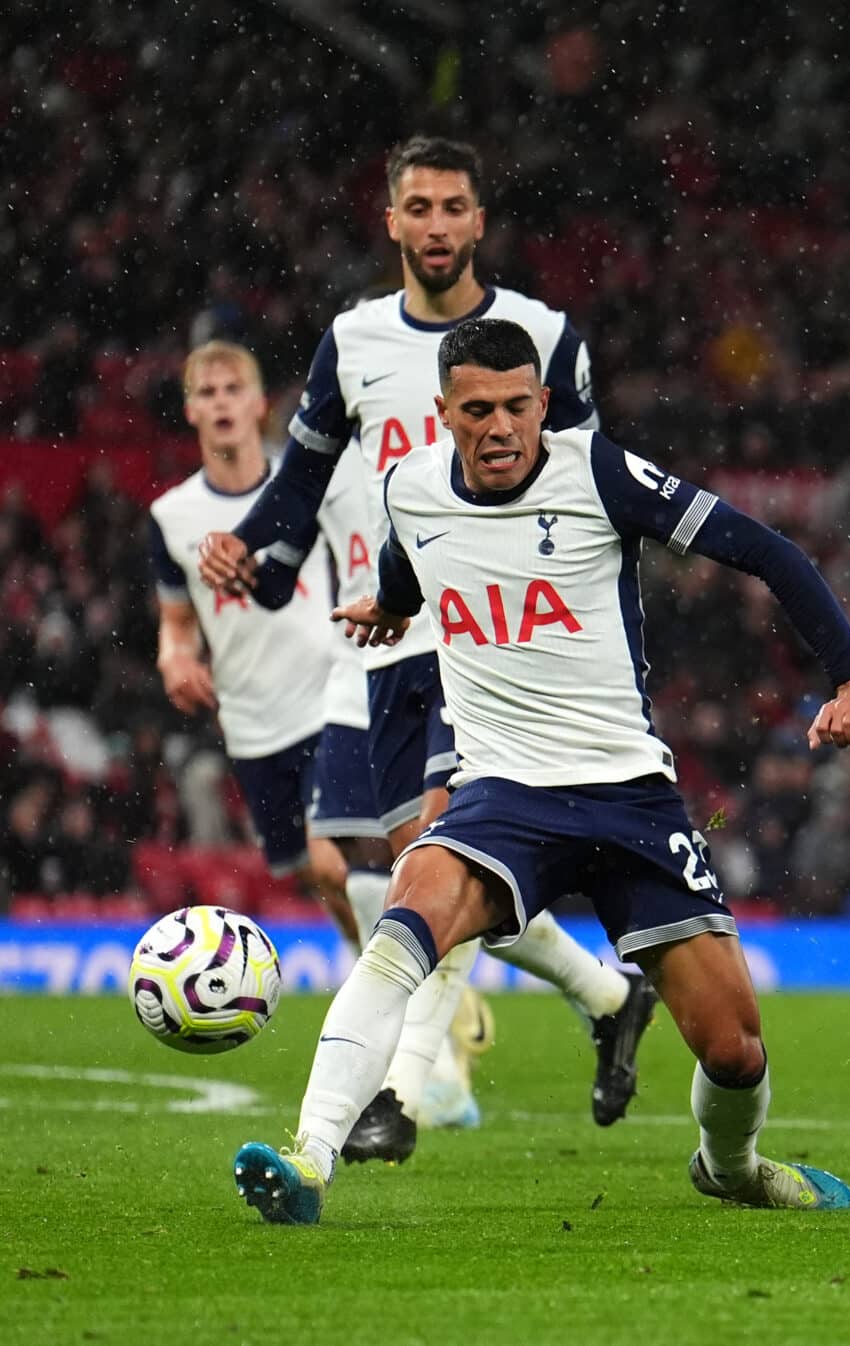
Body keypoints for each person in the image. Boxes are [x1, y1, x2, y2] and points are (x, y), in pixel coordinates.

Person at [233, 317, 850, 1224]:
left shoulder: (599, 473)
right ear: (442, 414)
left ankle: (731, 1167)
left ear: (543, 403)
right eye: (478, 411)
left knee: (734, 1050)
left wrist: (849, 675)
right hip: (503, 797)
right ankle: (307, 1161)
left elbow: (766, 552)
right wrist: (388, 602)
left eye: (515, 407)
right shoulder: (409, 486)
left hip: (630, 798)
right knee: (402, 925)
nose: (500, 428)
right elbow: (408, 563)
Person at [196, 136, 656, 1157]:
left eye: (455, 206)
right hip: (380, 640)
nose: (438, 224)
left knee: (434, 852)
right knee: (383, 861)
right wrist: (260, 561)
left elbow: (590, 496)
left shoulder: (543, 336)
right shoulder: (352, 340)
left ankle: (399, 1096)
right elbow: (302, 481)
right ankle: (603, 990)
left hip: (489, 641)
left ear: (479, 219)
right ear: (392, 220)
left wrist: (591, 641)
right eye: (419, 206)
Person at [147, 341, 359, 932]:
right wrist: (175, 661)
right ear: (190, 410)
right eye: (207, 393)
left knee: (332, 862)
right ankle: (387, 975)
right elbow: (178, 623)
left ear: (259, 403)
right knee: (313, 874)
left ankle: (410, 988)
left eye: (233, 389)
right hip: (250, 720)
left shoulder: (302, 487)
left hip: (327, 699)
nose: (221, 403)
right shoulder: (172, 515)